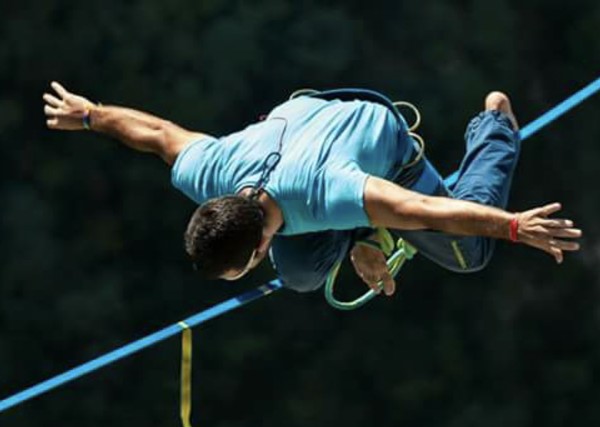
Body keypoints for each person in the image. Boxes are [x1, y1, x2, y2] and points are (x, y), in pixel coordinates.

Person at [43, 82, 581, 297]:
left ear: (258, 247)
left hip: (382, 146)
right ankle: (361, 239)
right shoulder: (211, 173)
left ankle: (495, 124)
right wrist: (90, 115)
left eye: (244, 269)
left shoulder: (328, 193)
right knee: (300, 272)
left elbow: (428, 210)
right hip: (311, 122)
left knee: (469, 252)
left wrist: (515, 226)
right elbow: (158, 135)